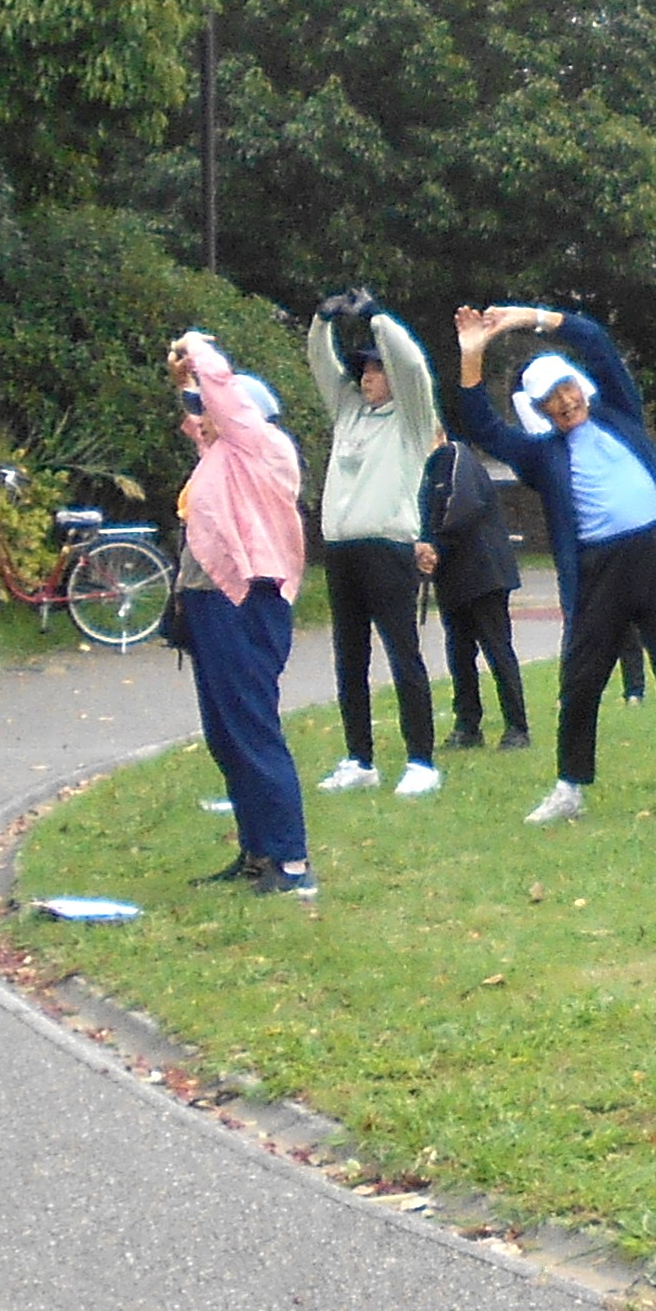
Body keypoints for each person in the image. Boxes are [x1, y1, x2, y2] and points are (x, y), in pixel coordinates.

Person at [447, 302, 656, 826]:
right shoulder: (542, 456)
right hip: (598, 572)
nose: (564, 401)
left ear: (580, 387)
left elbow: (594, 340)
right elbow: (481, 424)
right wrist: (472, 353)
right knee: (580, 683)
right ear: (541, 409)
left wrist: (525, 318)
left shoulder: (620, 413)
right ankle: (569, 786)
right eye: (551, 398)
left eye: (567, 389)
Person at [168, 337, 319, 899]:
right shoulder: (223, 457)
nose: (203, 421)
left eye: (212, 411)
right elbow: (198, 420)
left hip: (246, 604)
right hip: (211, 604)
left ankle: (292, 860)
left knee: (252, 729)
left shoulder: (261, 446)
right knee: (226, 734)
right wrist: (184, 384)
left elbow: (221, 394)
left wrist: (195, 348)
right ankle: (258, 850)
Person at [306, 292, 445, 799]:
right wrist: (323, 321)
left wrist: (376, 317)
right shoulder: (349, 411)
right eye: (363, 370)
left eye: (376, 370)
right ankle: (359, 758)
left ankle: (421, 761)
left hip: (387, 548)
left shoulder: (412, 418)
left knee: (403, 654)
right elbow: (322, 366)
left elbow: (413, 365)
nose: (367, 378)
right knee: (350, 659)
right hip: (342, 551)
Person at [418, 416, 529, 754]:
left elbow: (462, 508)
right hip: (451, 577)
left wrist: (434, 547)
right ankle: (467, 725)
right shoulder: (425, 471)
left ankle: (517, 727)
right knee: (459, 652)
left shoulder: (455, 458)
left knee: (497, 649)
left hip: (484, 573)